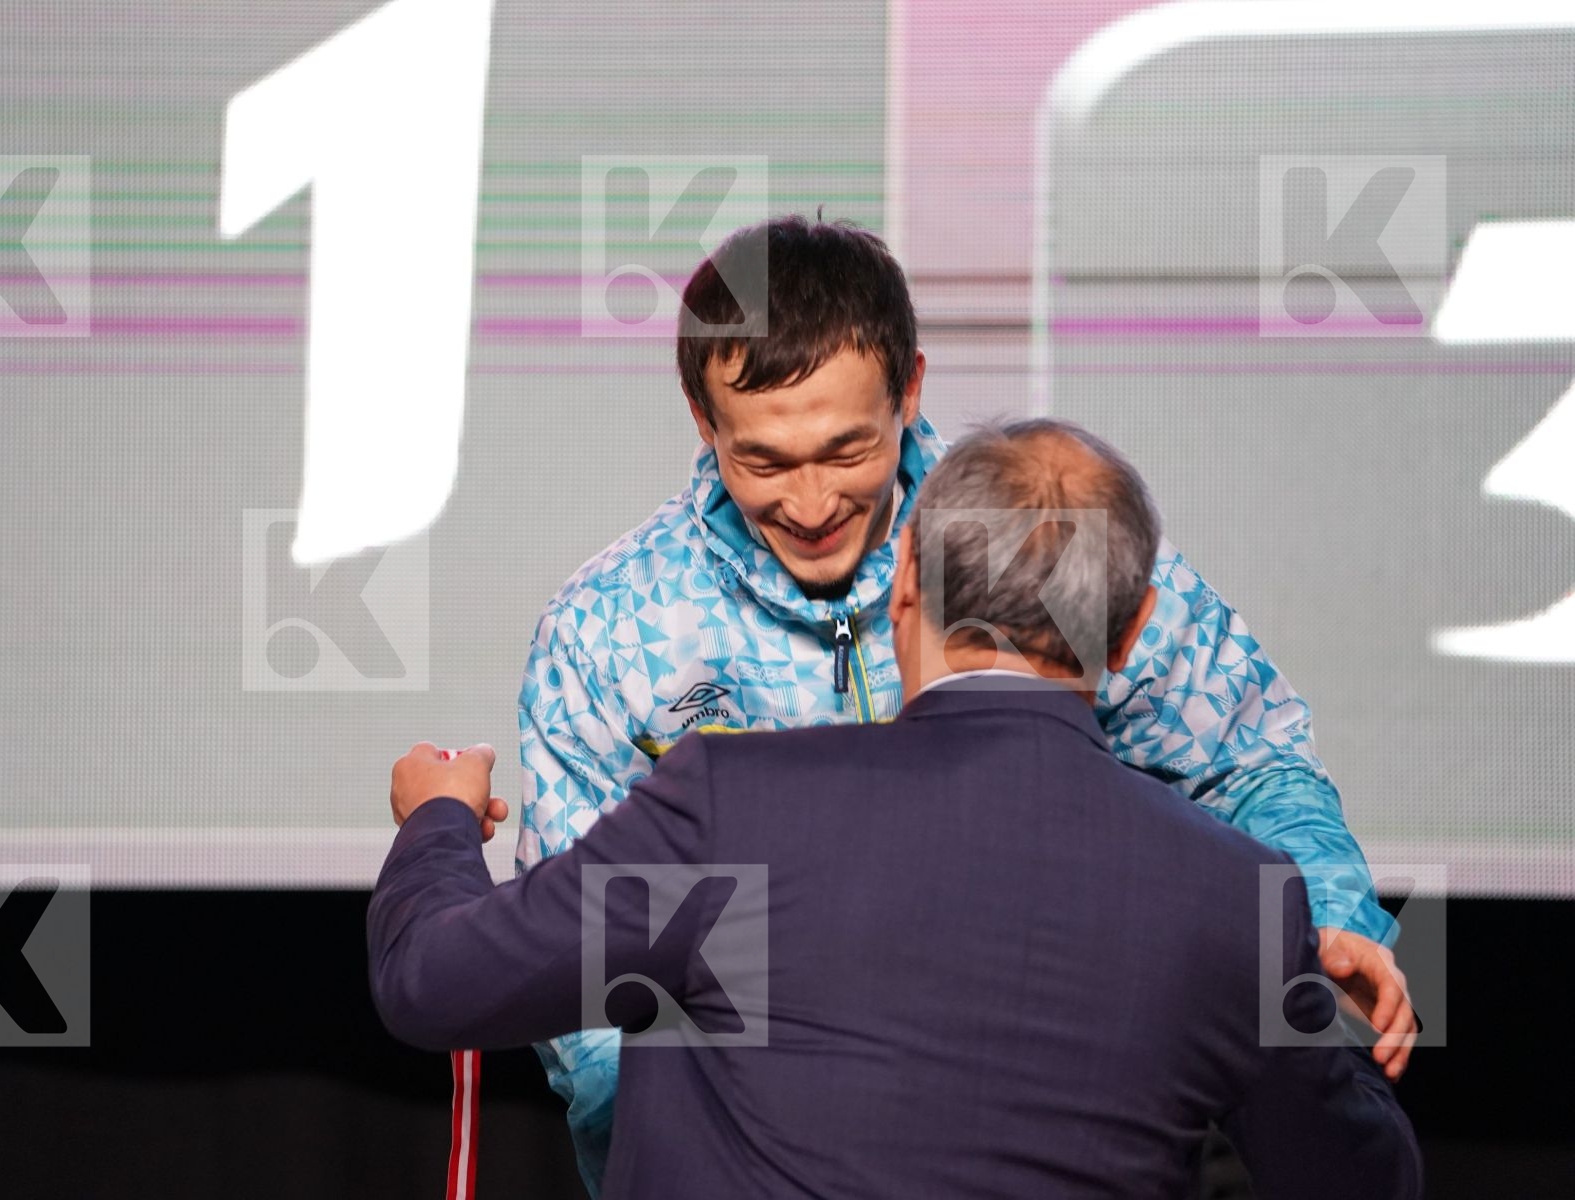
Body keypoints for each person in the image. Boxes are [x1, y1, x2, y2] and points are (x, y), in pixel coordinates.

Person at [514, 215, 1414, 1193]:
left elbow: (1253, 762)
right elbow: (585, 966)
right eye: (765, 462)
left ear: (911, 389)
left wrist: (1330, 913)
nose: (812, 504)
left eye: (848, 451)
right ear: (703, 419)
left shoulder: (1048, 536)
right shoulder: (609, 627)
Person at [369, 420, 1424, 1200]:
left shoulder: (732, 812)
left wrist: (440, 822)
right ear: (1141, 625)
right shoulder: (1233, 900)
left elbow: (435, 983)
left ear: (905, 588)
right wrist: (1301, 991)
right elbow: (1363, 1182)